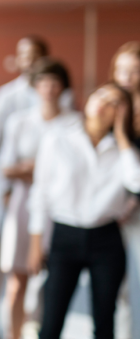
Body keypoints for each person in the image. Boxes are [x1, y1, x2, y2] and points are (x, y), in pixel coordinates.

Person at [0, 35, 73, 336]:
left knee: (50, 271)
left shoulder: (69, 111)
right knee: (4, 265)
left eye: (36, 55)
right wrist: (6, 186)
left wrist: (38, 170)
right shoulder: (8, 100)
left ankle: (40, 326)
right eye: (24, 55)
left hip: (58, 200)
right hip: (16, 196)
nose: (29, 61)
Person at [27, 82, 138, 339]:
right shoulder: (58, 137)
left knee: (104, 322)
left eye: (114, 103)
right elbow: (40, 192)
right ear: (88, 100)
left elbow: (136, 182)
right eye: (101, 95)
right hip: (65, 236)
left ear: (122, 114)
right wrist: (35, 242)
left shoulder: (125, 150)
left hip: (106, 239)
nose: (103, 103)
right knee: (51, 321)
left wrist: (122, 137)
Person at [0, 58, 77, 339]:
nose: (48, 89)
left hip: (60, 205)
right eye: (43, 83)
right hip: (23, 203)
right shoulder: (19, 121)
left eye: (54, 83)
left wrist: (37, 169)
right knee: (17, 278)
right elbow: (5, 166)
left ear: (63, 87)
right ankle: (13, 333)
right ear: (35, 86)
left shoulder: (74, 122)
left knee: (52, 278)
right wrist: (36, 169)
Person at [109, 41, 140, 338]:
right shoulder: (109, 105)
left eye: (134, 71)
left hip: (134, 209)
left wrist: (132, 203)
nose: (126, 77)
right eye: (122, 70)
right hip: (111, 207)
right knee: (118, 286)